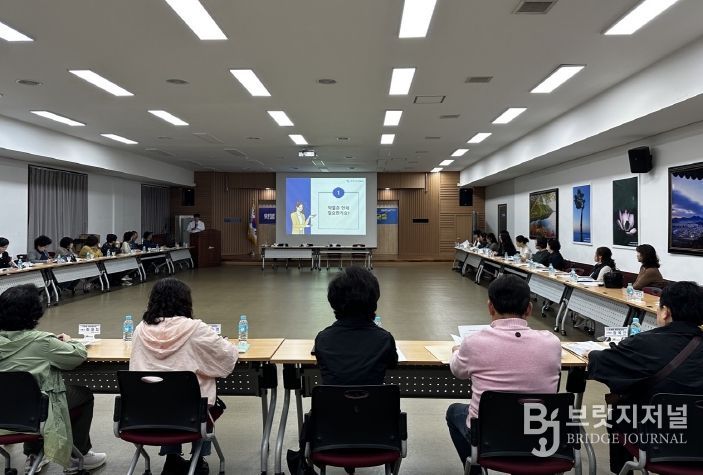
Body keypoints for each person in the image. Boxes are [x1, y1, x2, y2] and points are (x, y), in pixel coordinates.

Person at [288, 267, 398, 474]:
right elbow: (392, 363)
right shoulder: (384, 339)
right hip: (376, 433)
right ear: (374, 301)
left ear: (334, 302)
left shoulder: (323, 339)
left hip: (329, 434)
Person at [446, 275, 562, 467]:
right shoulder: (552, 343)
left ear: (490, 307)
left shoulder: (474, 342)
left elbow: (457, 371)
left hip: (489, 435)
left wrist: (456, 351)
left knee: (454, 412)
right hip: (539, 434)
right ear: (529, 309)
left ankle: (475, 468)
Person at [588, 281, 703, 474]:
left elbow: (602, 363)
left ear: (665, 312)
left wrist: (592, 354)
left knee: (618, 410)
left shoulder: (644, 342)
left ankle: (621, 470)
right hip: (699, 440)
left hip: (653, 439)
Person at [130, 278, 238, 475]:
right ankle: (199, 459)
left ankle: (171, 458)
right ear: (185, 302)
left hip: (147, 413)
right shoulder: (195, 329)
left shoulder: (139, 329)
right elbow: (225, 357)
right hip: (190, 414)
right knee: (199, 392)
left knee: (163, 393)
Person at [0, 285, 107, 473]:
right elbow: (77, 356)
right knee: (82, 395)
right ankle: (78, 455)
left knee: (24, 396)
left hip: (3, 413)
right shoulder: (42, 342)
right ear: (33, 313)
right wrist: (69, 340)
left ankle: (34, 454)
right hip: (35, 412)